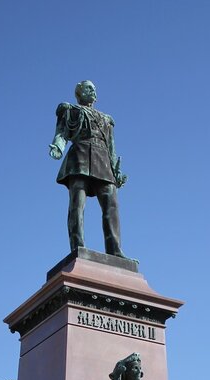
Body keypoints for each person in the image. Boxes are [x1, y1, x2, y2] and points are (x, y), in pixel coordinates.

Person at [50, 80, 128, 257]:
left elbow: (111, 147)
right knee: (77, 204)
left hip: (103, 161)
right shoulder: (71, 110)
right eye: (88, 88)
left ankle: (114, 249)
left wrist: (116, 171)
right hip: (80, 157)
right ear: (79, 93)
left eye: (94, 89)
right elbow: (61, 133)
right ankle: (78, 246)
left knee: (111, 204)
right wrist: (57, 147)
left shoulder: (107, 119)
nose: (93, 91)